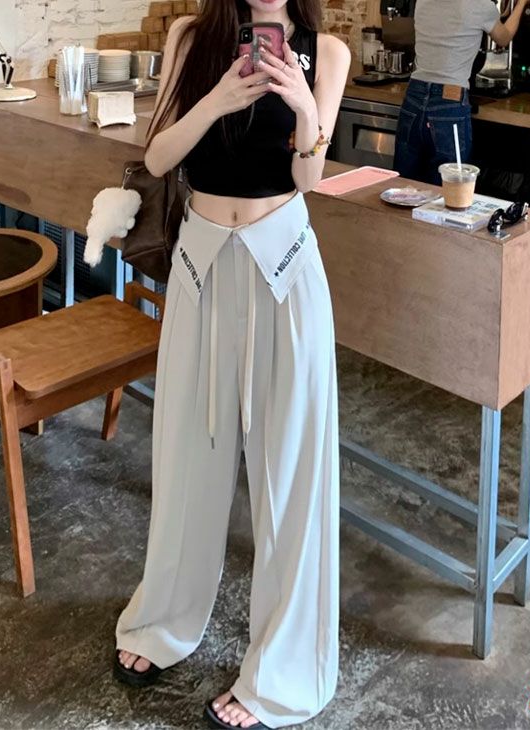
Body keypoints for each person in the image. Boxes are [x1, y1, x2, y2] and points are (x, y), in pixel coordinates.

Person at [111, 2, 350, 729]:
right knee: (186, 453)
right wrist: (217, 98)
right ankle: (164, 620)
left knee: (292, 473)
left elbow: (309, 177)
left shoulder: (327, 52)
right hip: (201, 266)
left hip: (285, 268)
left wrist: (305, 106)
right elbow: (158, 158)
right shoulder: (193, 36)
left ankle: (282, 673)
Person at [393, 0, 530, 184]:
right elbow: (503, 38)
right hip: (449, 101)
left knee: (404, 184)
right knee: (449, 187)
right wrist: (521, 4)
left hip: (414, 95)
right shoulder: (480, 6)